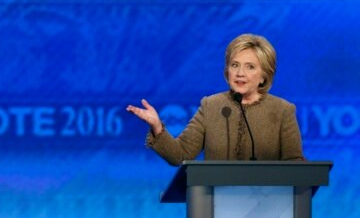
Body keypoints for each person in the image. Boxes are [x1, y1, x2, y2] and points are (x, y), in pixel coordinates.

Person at [126, 33, 304, 165]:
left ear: (264, 76)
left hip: (268, 208)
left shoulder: (282, 111)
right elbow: (180, 155)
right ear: (228, 70)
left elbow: (295, 165)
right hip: (217, 205)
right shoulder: (211, 106)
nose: (240, 73)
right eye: (235, 65)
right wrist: (157, 126)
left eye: (250, 67)